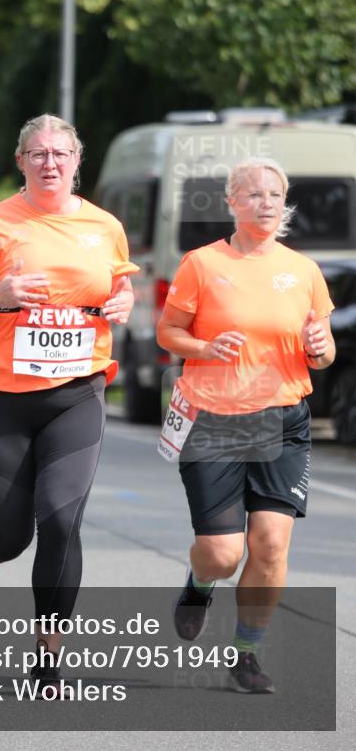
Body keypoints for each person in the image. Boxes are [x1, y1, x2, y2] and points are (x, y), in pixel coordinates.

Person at [0, 113, 138, 694]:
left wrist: (123, 302)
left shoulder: (105, 226)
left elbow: (118, 284)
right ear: (20, 161)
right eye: (37, 153)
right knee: (10, 534)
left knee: (59, 521)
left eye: (60, 153)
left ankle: (47, 654)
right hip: (0, 396)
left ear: (78, 161)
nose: (49, 162)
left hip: (77, 393)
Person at [157, 156, 335, 694]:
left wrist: (321, 349)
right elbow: (168, 333)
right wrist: (204, 346)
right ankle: (198, 584)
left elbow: (320, 349)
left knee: (271, 546)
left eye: (274, 195)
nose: (265, 203)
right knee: (223, 552)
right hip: (213, 418)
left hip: (283, 417)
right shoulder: (202, 264)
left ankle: (246, 655)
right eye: (253, 194)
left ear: (285, 205)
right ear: (232, 202)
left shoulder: (303, 271)